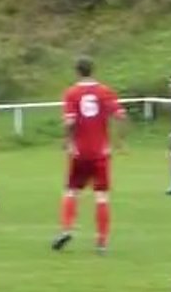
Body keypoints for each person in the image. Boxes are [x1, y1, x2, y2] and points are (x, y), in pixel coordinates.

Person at [52, 57, 126, 254]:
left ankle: (66, 229)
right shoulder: (104, 91)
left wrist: (67, 141)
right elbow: (120, 116)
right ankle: (102, 241)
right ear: (93, 70)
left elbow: (70, 122)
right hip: (101, 151)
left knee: (71, 191)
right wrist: (118, 141)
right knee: (101, 196)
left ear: (77, 72)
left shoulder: (72, 93)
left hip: (80, 152)